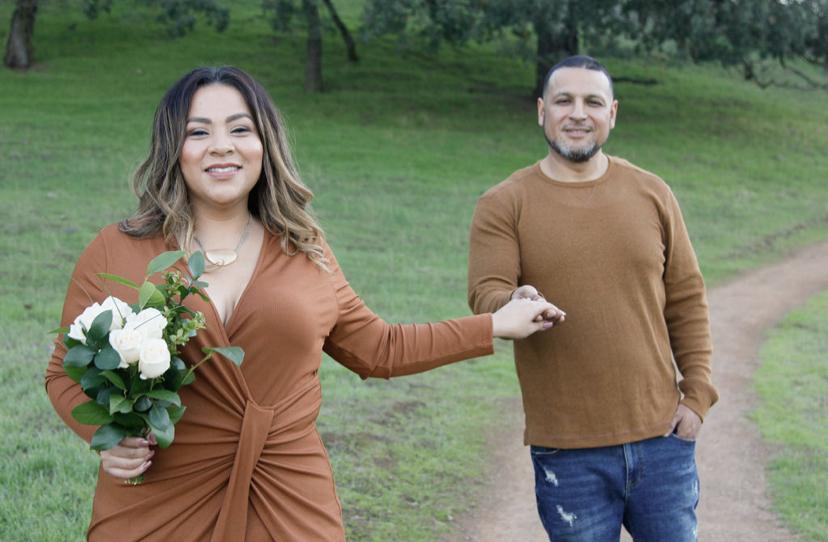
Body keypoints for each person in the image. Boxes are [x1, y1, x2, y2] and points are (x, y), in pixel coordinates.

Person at [44, 66, 564, 541]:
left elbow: (378, 349)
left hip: (286, 501)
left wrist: (493, 323)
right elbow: (62, 372)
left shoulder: (305, 249)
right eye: (199, 131)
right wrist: (106, 438)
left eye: (240, 130)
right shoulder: (119, 250)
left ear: (265, 145)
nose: (221, 146)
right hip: (159, 501)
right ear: (172, 147)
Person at [467, 55, 718, 541]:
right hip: (567, 450)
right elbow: (486, 293)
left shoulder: (652, 193)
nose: (578, 113)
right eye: (564, 100)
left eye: (592, 102)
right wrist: (516, 300)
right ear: (542, 110)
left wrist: (698, 396)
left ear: (612, 113)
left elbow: (686, 299)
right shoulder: (504, 202)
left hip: (662, 440)